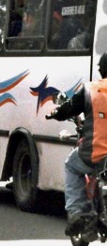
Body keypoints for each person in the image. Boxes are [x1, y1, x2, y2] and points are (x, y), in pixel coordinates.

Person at [50, 53, 107, 236]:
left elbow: (68, 109)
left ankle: (78, 213)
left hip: (95, 152)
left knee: (71, 166)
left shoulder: (91, 90)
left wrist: (56, 113)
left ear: (102, 69)